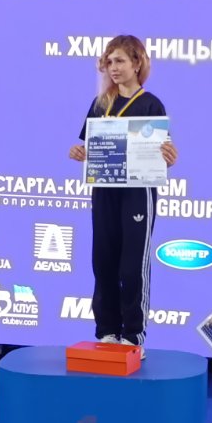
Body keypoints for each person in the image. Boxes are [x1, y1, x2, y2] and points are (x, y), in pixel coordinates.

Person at [67, 35, 178, 354]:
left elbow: (163, 151)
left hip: (138, 193)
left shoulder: (150, 104)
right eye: (109, 62)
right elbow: (90, 147)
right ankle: (107, 330)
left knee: (132, 265)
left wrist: (169, 156)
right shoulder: (101, 104)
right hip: (105, 190)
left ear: (137, 63)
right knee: (103, 261)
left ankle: (133, 334)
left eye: (120, 61)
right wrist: (80, 152)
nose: (113, 68)